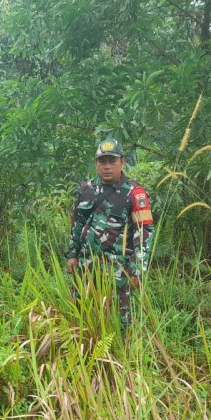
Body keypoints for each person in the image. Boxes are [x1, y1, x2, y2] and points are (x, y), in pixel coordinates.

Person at [65, 138, 154, 327]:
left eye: (112, 161)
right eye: (102, 161)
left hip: (119, 269)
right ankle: (87, 350)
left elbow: (144, 232)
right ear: (96, 163)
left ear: (122, 162)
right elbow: (77, 223)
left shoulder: (135, 193)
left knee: (120, 319)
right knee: (83, 313)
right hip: (86, 266)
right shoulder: (86, 189)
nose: (107, 167)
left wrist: (138, 269)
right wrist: (72, 254)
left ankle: (121, 353)